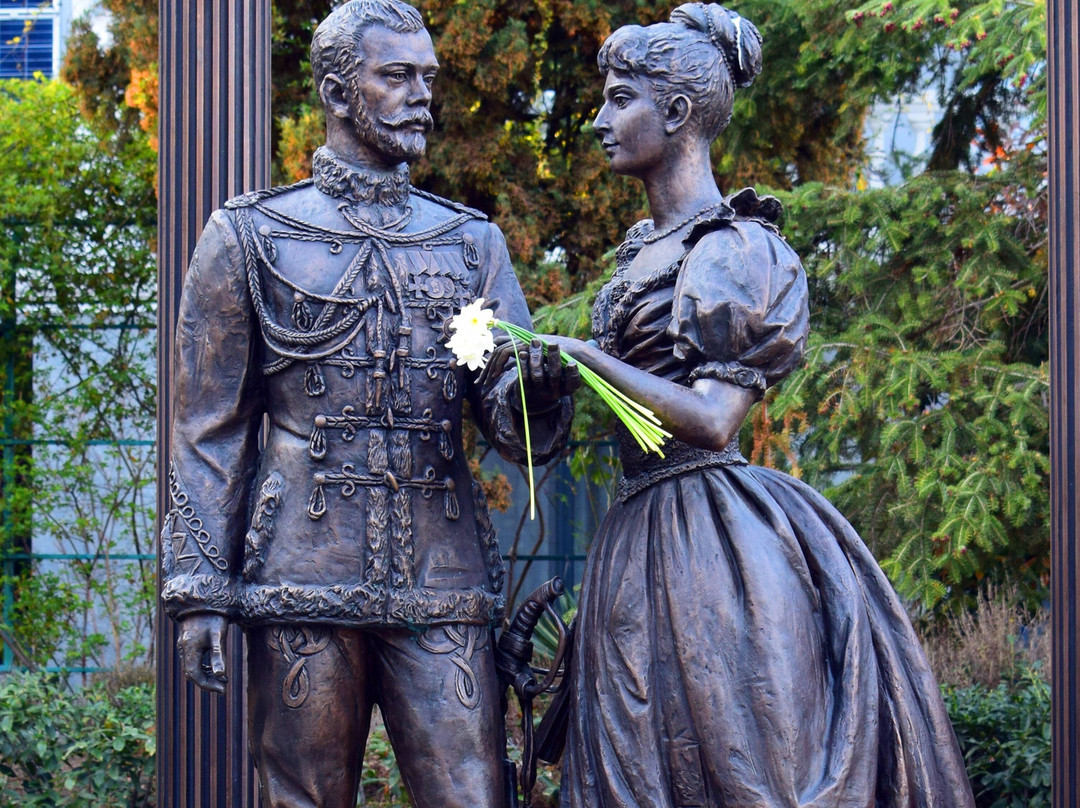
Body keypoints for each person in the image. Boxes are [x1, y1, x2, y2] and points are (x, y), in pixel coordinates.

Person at [537, 5, 977, 806]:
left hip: (713, 542)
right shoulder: (643, 254)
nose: (601, 120)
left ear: (675, 113)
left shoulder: (737, 248)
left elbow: (712, 418)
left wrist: (585, 358)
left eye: (619, 98)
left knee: (740, 762)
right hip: (634, 541)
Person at [159, 2, 577, 807]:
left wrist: (538, 384)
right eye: (397, 76)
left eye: (428, 77)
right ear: (338, 93)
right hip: (300, 575)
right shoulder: (251, 236)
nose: (423, 95)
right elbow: (208, 426)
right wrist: (199, 593)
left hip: (441, 575)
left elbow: (507, 413)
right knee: (303, 798)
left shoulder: (470, 243)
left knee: (471, 794)